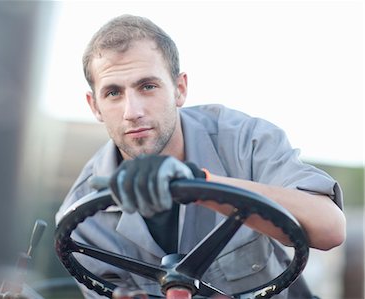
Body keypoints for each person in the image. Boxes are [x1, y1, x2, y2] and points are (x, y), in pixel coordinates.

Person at [55, 14, 346, 298]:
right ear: (95, 106)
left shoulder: (244, 141)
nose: (133, 112)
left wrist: (200, 185)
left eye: (148, 86)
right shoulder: (82, 220)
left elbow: (330, 229)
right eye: (114, 93)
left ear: (179, 89)